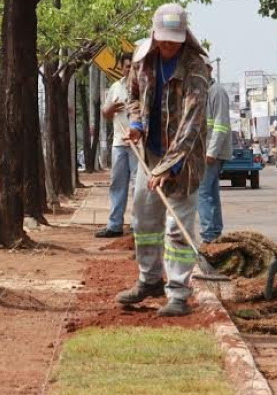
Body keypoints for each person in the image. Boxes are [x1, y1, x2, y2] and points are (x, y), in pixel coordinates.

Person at [117, 3, 209, 317]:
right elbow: (131, 96)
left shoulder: (196, 68)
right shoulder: (142, 61)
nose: (169, 45)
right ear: (155, 36)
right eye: (164, 39)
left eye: (175, 40)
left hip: (183, 159)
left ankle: (179, 294)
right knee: (144, 220)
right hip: (150, 153)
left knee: (177, 228)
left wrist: (169, 167)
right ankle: (149, 279)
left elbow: (191, 125)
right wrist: (136, 124)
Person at [96, 52, 138, 238]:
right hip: (119, 144)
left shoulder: (143, 86)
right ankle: (115, 225)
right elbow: (105, 112)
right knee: (117, 185)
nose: (130, 69)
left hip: (138, 145)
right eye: (127, 66)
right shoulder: (115, 87)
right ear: (121, 68)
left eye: (133, 66)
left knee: (139, 186)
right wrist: (110, 109)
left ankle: (138, 225)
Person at [198, 59, 232, 243]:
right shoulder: (201, 92)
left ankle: (208, 235)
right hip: (204, 151)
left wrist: (212, 151)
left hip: (211, 152)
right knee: (210, 192)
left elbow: (221, 123)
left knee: (201, 192)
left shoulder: (216, 91)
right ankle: (215, 232)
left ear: (209, 69)